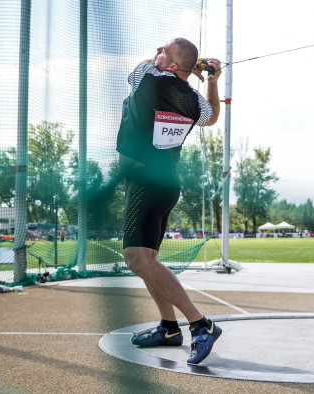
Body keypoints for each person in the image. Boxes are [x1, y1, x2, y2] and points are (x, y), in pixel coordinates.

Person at [115, 38, 222, 365]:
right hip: (163, 184)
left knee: (137, 259)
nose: (155, 52)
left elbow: (150, 64)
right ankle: (168, 327)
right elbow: (213, 116)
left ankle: (200, 324)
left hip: (146, 182)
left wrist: (197, 63)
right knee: (147, 260)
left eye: (162, 50)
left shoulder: (147, 76)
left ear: (172, 65)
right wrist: (212, 79)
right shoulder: (194, 102)